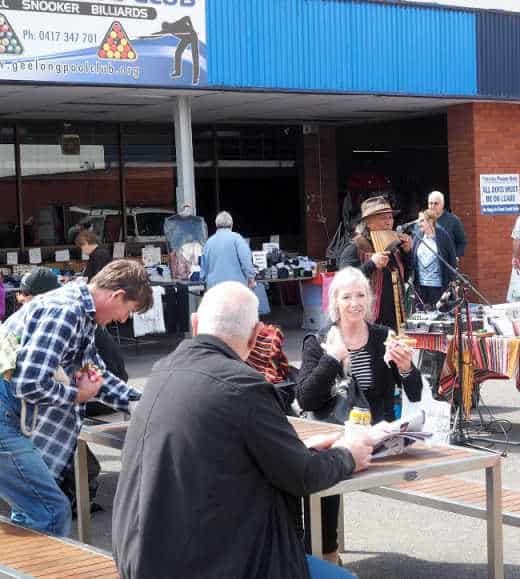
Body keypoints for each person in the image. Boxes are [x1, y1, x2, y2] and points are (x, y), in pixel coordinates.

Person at [113, 281, 369, 579]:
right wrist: (348, 454)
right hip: (215, 564)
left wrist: (305, 450)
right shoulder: (243, 386)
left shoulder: (162, 372)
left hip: (142, 561)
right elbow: (304, 476)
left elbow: (227, 457)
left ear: (196, 324)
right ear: (255, 336)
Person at [0, 260, 152, 536]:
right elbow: (29, 383)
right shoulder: (65, 312)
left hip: (8, 414)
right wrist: (76, 395)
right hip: (4, 415)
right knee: (50, 511)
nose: (123, 320)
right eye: (127, 310)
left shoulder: (81, 312)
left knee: (34, 511)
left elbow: (96, 376)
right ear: (117, 296)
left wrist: (143, 403)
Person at [297, 267, 423, 565]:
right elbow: (305, 398)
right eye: (347, 296)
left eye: (360, 295)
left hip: (376, 434)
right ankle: (324, 554)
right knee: (318, 466)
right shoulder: (319, 341)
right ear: (335, 302)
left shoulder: (382, 337)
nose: (354, 303)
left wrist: (406, 367)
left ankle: (322, 553)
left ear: (369, 300)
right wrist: (332, 358)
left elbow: (415, 391)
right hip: (335, 432)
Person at [339, 196, 412, 332]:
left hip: (395, 318)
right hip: (368, 319)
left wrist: (408, 253)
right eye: (383, 218)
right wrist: (372, 264)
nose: (388, 222)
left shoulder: (395, 247)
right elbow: (344, 282)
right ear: (368, 223)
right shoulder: (355, 248)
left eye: (390, 217)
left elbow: (406, 277)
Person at [411, 209, 457, 308]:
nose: (419, 223)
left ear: (431, 221)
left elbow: (452, 258)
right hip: (421, 286)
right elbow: (412, 258)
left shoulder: (443, 236)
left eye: (422, 220)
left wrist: (453, 280)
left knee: (439, 315)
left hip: (438, 286)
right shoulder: (417, 235)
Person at [200, 211, 256, 289]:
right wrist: (251, 278)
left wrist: (204, 279)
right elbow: (246, 259)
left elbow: (203, 269)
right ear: (231, 225)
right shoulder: (237, 239)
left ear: (216, 225)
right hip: (235, 287)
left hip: (214, 288)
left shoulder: (209, 242)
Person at [427, 190, 467, 259]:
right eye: (430, 203)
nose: (433, 206)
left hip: (446, 262)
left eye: (436, 203)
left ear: (442, 204)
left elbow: (462, 242)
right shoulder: (423, 221)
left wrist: (455, 257)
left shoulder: (453, 221)